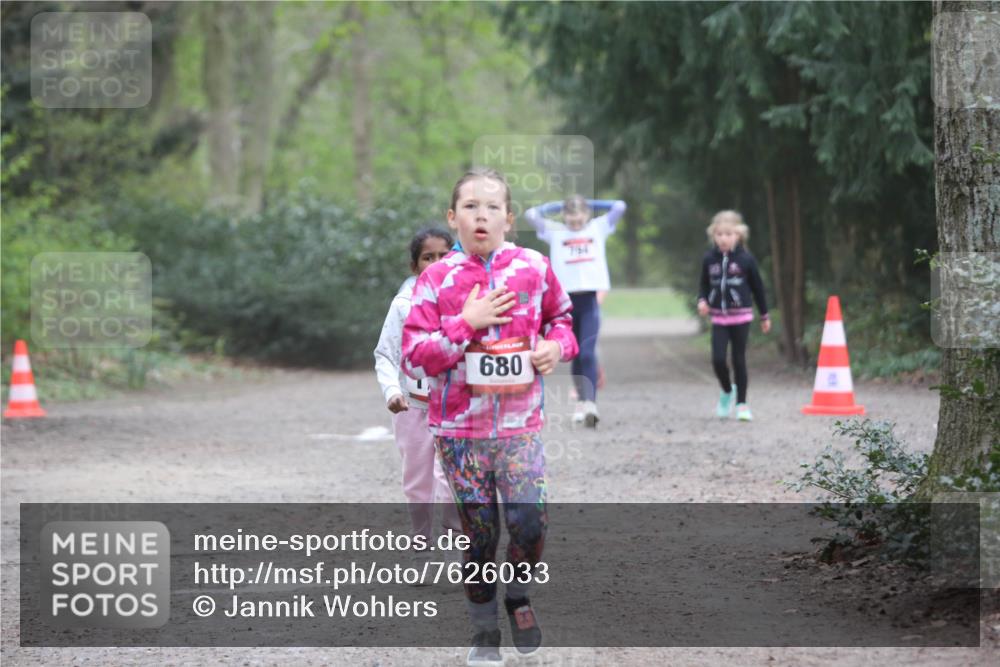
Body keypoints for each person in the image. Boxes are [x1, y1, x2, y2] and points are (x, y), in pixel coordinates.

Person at [402, 168, 578, 665]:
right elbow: (417, 354)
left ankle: (518, 598)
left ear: (510, 218)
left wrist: (552, 347)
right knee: (480, 534)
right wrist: (466, 324)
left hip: (521, 428)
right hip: (460, 432)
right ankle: (483, 631)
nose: (482, 215)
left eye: (493, 206)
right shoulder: (436, 278)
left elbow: (563, 321)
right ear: (452, 217)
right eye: (471, 206)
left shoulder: (535, 268)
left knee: (529, 525)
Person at [374, 228, 460, 556]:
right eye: (428, 257)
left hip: (454, 407)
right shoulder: (403, 305)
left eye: (445, 255)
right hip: (412, 407)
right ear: (415, 266)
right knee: (417, 479)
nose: (437, 262)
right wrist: (391, 391)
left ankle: (456, 545)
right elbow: (386, 353)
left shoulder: (467, 301)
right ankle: (421, 541)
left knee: (452, 477)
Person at [525, 196, 626, 427]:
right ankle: (581, 402)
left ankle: (591, 404)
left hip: (589, 301)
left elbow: (620, 206)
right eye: (570, 214)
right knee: (576, 354)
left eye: (580, 213)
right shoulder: (556, 232)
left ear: (587, 214)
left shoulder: (597, 228)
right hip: (565, 304)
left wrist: (589, 203)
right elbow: (531, 214)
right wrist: (559, 205)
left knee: (588, 352)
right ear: (565, 215)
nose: (575, 219)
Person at [696, 210, 771, 421]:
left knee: (739, 359)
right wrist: (702, 300)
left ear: (738, 235)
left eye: (728, 234)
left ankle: (742, 405)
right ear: (714, 235)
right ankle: (727, 391)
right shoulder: (709, 259)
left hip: (741, 317)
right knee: (718, 360)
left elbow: (758, 288)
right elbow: (703, 284)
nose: (723, 238)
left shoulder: (746, 259)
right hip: (718, 317)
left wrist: (765, 315)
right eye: (719, 234)